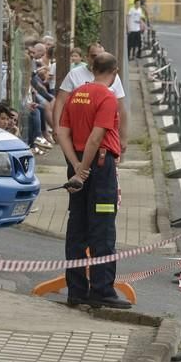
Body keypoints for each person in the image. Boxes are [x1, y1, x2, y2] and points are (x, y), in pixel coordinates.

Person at [57, 52, 131, 309]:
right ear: (115, 72)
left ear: (91, 68)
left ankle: (76, 291)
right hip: (99, 168)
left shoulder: (77, 93)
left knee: (77, 227)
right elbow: (96, 138)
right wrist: (84, 169)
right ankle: (101, 290)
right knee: (102, 229)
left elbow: (62, 131)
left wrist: (75, 166)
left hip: (77, 163)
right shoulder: (107, 97)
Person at [53, 43, 128, 154]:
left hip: (104, 138)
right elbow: (60, 101)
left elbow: (121, 109)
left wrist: (123, 137)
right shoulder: (74, 74)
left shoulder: (113, 77)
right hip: (77, 133)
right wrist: (56, 127)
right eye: (94, 56)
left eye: (101, 55)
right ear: (86, 57)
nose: (98, 59)